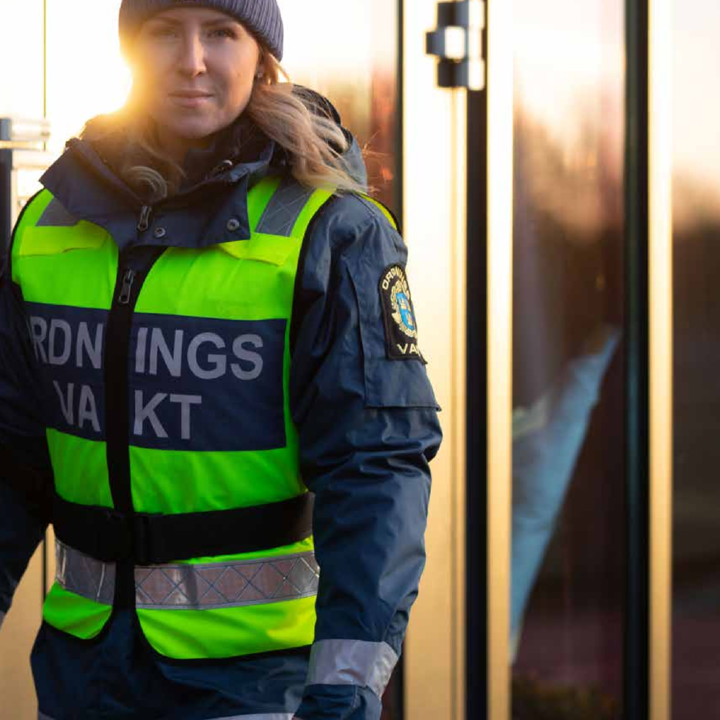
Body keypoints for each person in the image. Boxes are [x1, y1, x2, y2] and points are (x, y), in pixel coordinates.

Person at [0, 1, 442, 718]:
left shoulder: (331, 230)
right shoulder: (48, 224)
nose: (192, 60)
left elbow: (374, 473)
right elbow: (10, 459)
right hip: (81, 679)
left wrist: (344, 689)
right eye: (164, 31)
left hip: (259, 687)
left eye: (221, 33)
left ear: (262, 57)